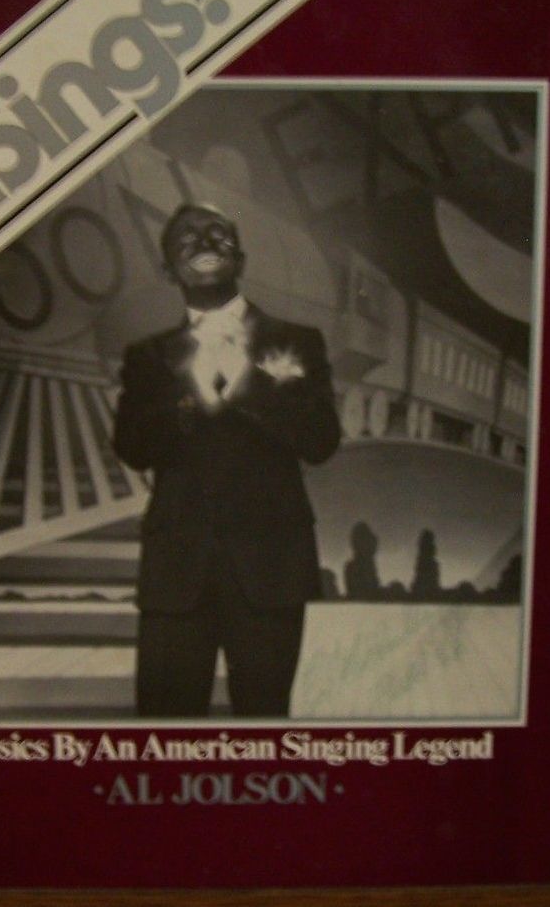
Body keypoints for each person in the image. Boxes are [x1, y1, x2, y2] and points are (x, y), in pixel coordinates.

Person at [113, 203, 341, 717]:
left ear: (241, 259)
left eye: (217, 234)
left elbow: (321, 441)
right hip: (177, 573)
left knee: (263, 723)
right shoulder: (147, 357)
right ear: (168, 269)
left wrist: (245, 384)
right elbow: (133, 447)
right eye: (186, 238)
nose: (203, 242)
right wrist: (190, 399)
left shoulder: (297, 341)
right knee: (165, 729)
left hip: (271, 568)